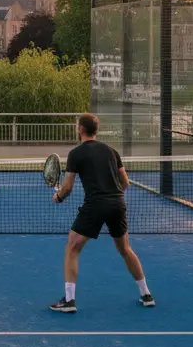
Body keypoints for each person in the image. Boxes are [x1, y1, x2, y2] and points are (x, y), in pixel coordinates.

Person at [49, 113, 153, 313]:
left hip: (95, 205)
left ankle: (69, 301)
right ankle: (146, 294)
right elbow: (125, 183)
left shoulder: (76, 153)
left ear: (80, 129)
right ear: (96, 130)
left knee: (72, 248)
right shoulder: (112, 151)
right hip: (118, 204)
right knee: (125, 250)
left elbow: (68, 187)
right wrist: (111, 196)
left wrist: (59, 197)